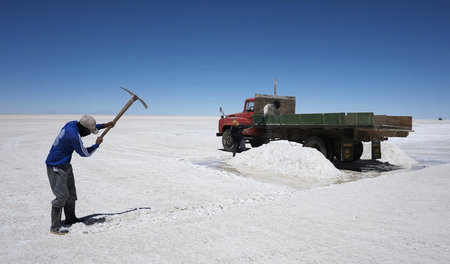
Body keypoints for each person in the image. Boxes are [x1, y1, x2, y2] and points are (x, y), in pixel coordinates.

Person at [45, 115, 115, 235]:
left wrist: (104, 125)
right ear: (84, 129)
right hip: (55, 166)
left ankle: (70, 218)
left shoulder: (72, 124)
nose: (89, 133)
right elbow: (85, 153)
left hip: (65, 164)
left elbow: (85, 130)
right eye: (89, 131)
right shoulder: (73, 136)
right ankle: (55, 227)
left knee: (71, 194)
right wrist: (96, 144)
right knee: (61, 196)